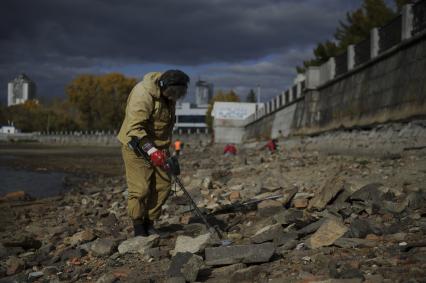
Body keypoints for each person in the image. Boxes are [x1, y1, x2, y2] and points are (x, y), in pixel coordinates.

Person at [117, 70, 190, 236]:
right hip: (136, 145)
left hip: (160, 147)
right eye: (173, 94)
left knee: (163, 186)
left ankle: (150, 224)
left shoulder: (170, 94)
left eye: (179, 95)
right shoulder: (142, 94)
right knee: (141, 189)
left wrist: (160, 151)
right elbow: (134, 129)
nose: (174, 98)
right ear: (165, 86)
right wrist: (151, 151)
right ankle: (138, 228)